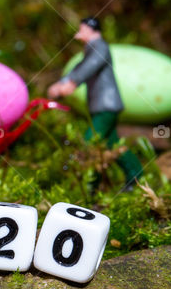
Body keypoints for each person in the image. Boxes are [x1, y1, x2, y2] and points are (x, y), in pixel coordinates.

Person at [48, 17, 143, 193]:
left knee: (90, 143)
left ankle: (91, 185)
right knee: (111, 145)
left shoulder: (99, 47)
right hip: (102, 106)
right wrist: (63, 82)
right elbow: (79, 66)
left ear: (91, 30)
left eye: (82, 29)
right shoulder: (91, 48)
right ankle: (135, 176)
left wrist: (72, 83)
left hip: (106, 106)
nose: (79, 32)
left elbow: (89, 67)